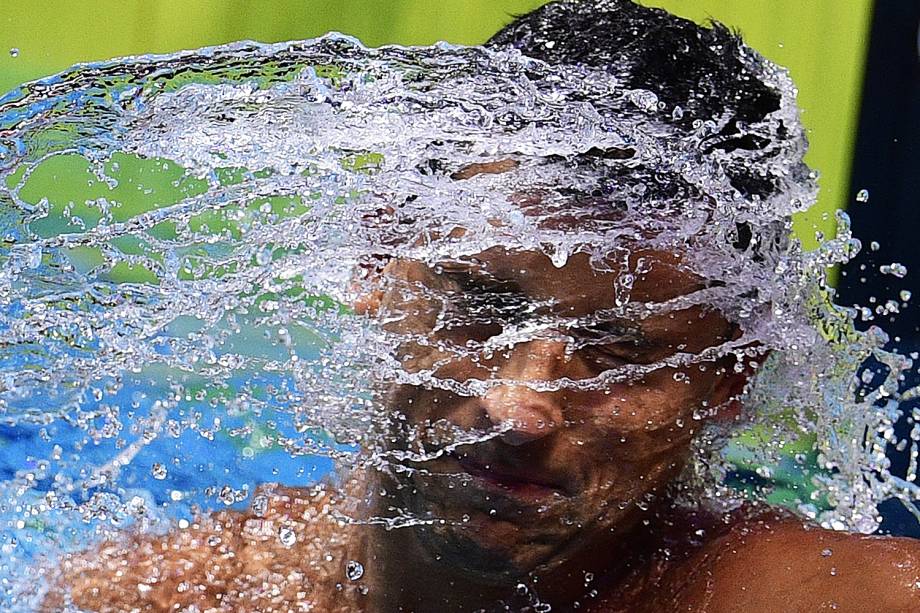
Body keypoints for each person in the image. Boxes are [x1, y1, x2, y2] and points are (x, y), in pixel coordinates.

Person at [40, 1, 920, 611]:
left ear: (729, 380)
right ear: (379, 262)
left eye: (619, 352)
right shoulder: (151, 594)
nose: (519, 405)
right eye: (480, 308)